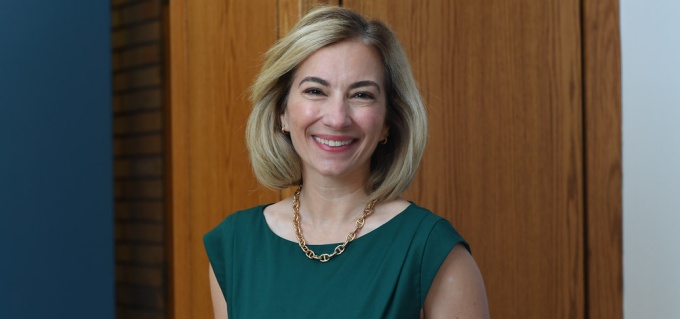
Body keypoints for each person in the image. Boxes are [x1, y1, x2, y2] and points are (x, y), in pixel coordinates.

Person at [204, 5, 489, 319]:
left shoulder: (432, 250)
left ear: (387, 123)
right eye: (315, 90)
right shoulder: (234, 245)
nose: (337, 118)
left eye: (362, 95)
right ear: (281, 112)